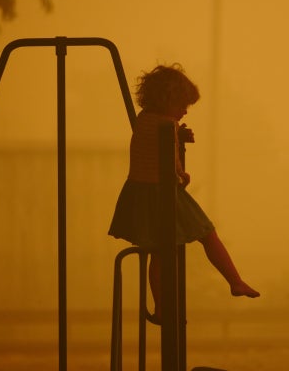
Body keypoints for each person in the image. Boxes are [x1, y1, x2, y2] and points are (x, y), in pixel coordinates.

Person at [108, 63, 259, 324]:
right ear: (167, 101)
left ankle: (162, 308)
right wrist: (182, 174)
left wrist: (178, 132)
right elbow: (169, 158)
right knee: (208, 234)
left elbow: (152, 141)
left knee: (159, 253)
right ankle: (235, 281)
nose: (184, 111)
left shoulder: (144, 119)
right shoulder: (166, 125)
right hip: (164, 194)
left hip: (140, 194)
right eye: (182, 105)